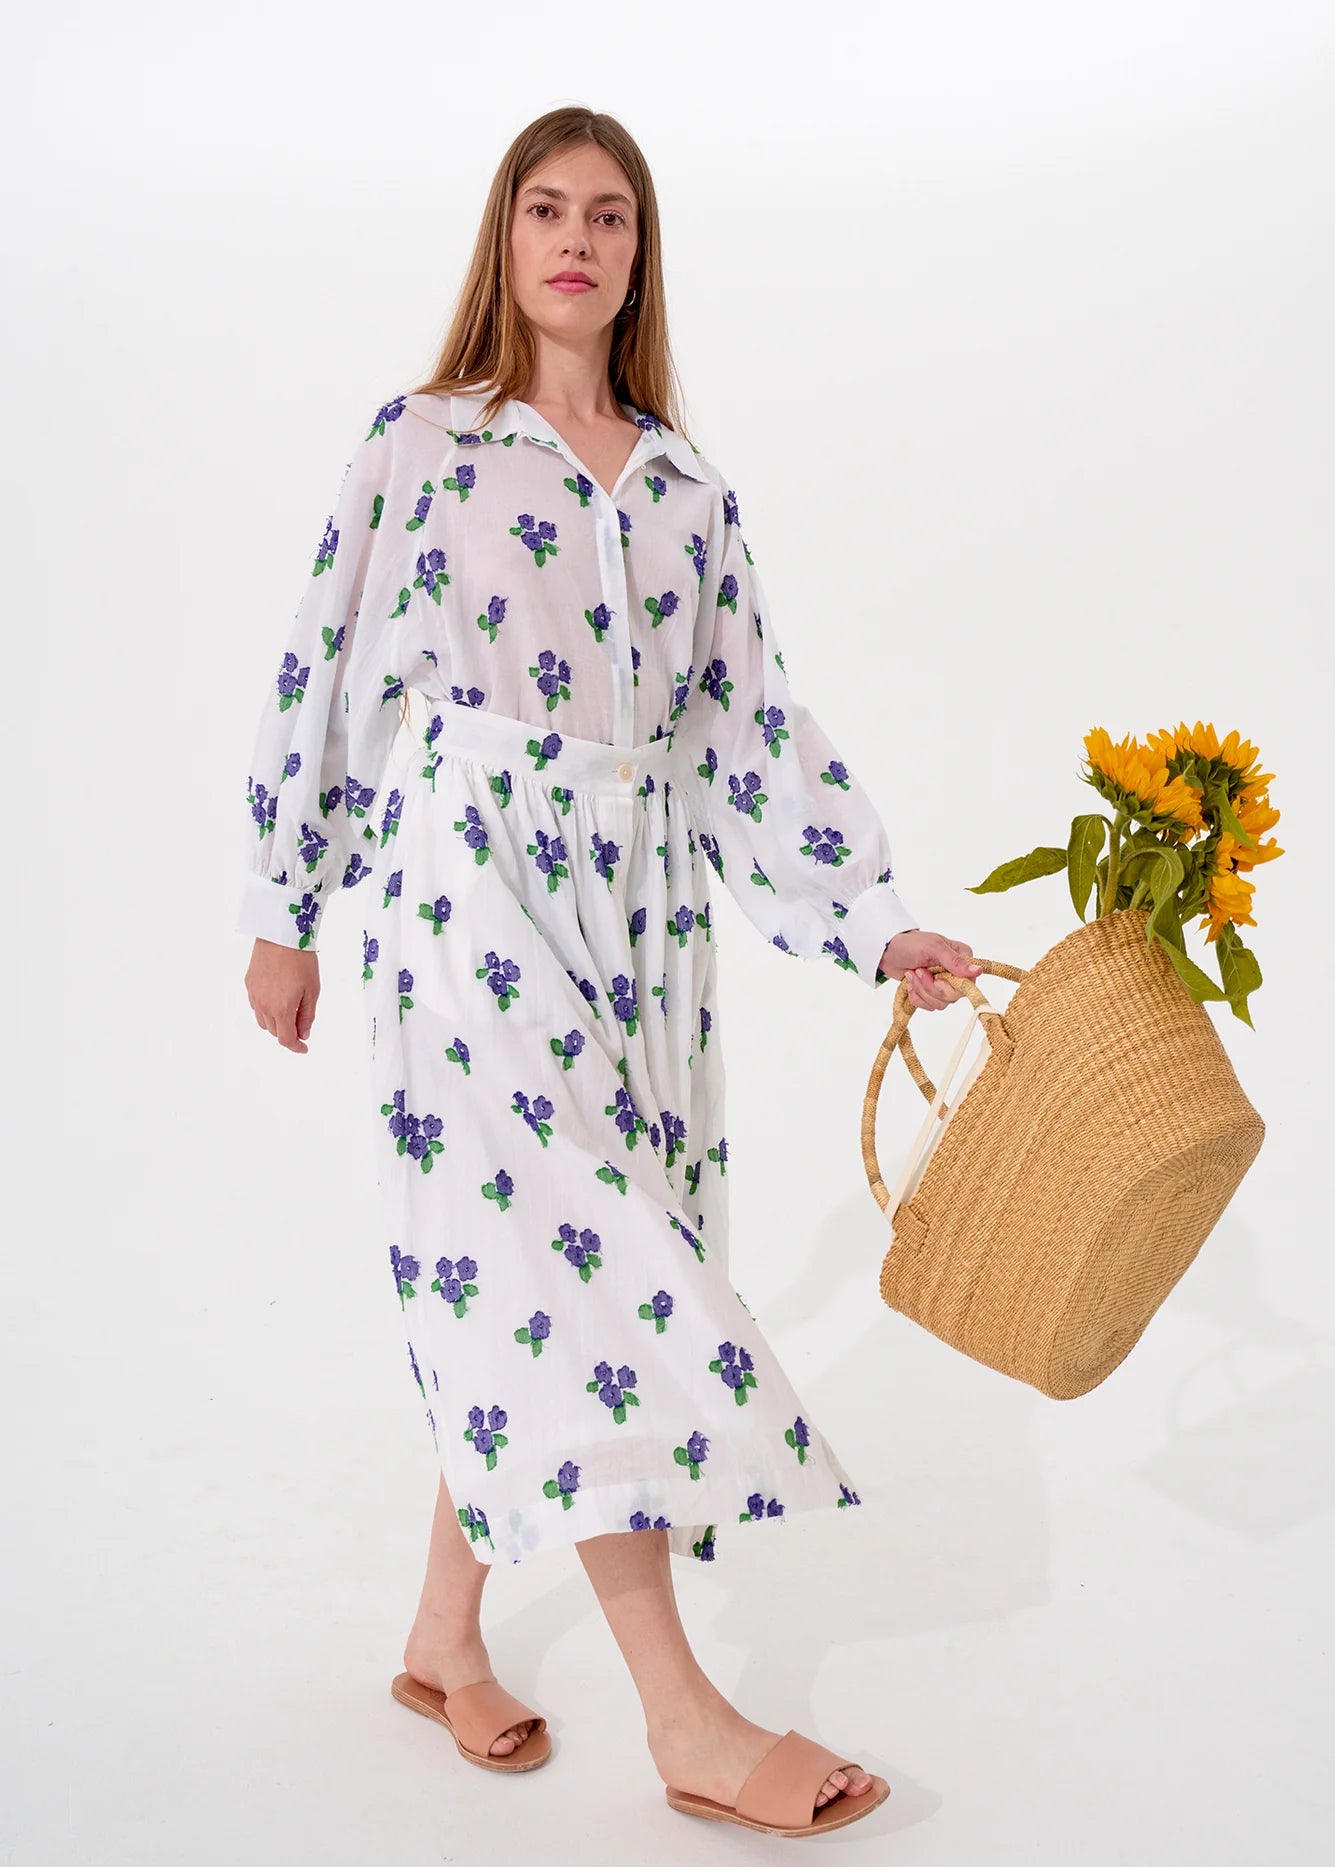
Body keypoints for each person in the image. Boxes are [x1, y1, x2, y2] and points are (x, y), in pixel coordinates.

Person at [237, 106, 983, 1839]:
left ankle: (442, 1643)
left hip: (641, 906)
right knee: (594, 1259)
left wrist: (872, 921)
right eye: (547, 210)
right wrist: (287, 903)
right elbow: (323, 664)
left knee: (558, 1255)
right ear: (504, 240)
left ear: (641, 258)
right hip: (466, 880)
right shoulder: (422, 445)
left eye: (611, 218)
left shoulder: (688, 488)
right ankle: (686, 1718)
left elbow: (749, 730)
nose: (577, 240)